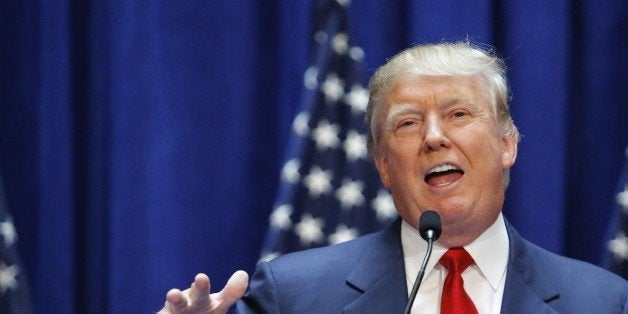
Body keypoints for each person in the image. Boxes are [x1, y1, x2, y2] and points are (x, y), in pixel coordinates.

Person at [159, 41, 628, 313]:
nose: (434, 137)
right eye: (407, 123)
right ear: (382, 163)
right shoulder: (294, 296)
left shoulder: (603, 303)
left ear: (508, 144)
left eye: (459, 113)